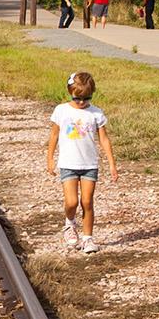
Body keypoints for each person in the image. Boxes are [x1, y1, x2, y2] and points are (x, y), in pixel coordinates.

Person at [45, 71, 117, 254]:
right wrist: (50, 158)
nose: (82, 102)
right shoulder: (61, 110)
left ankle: (87, 238)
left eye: (86, 98)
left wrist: (111, 164)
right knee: (71, 202)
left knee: (87, 202)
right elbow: (54, 135)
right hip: (68, 163)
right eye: (78, 98)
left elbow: (104, 140)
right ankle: (69, 224)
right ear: (70, 92)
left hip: (89, 165)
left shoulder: (96, 113)